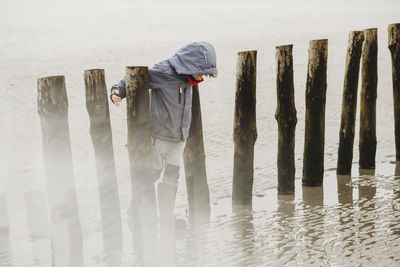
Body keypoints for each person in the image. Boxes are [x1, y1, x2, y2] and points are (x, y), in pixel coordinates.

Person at [110, 41, 217, 263]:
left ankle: (166, 215)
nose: (202, 78)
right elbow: (137, 78)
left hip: (180, 137)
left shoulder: (189, 79)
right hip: (159, 137)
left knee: (172, 176)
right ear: (190, 65)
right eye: (202, 73)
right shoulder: (165, 71)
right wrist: (117, 91)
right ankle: (135, 213)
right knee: (152, 174)